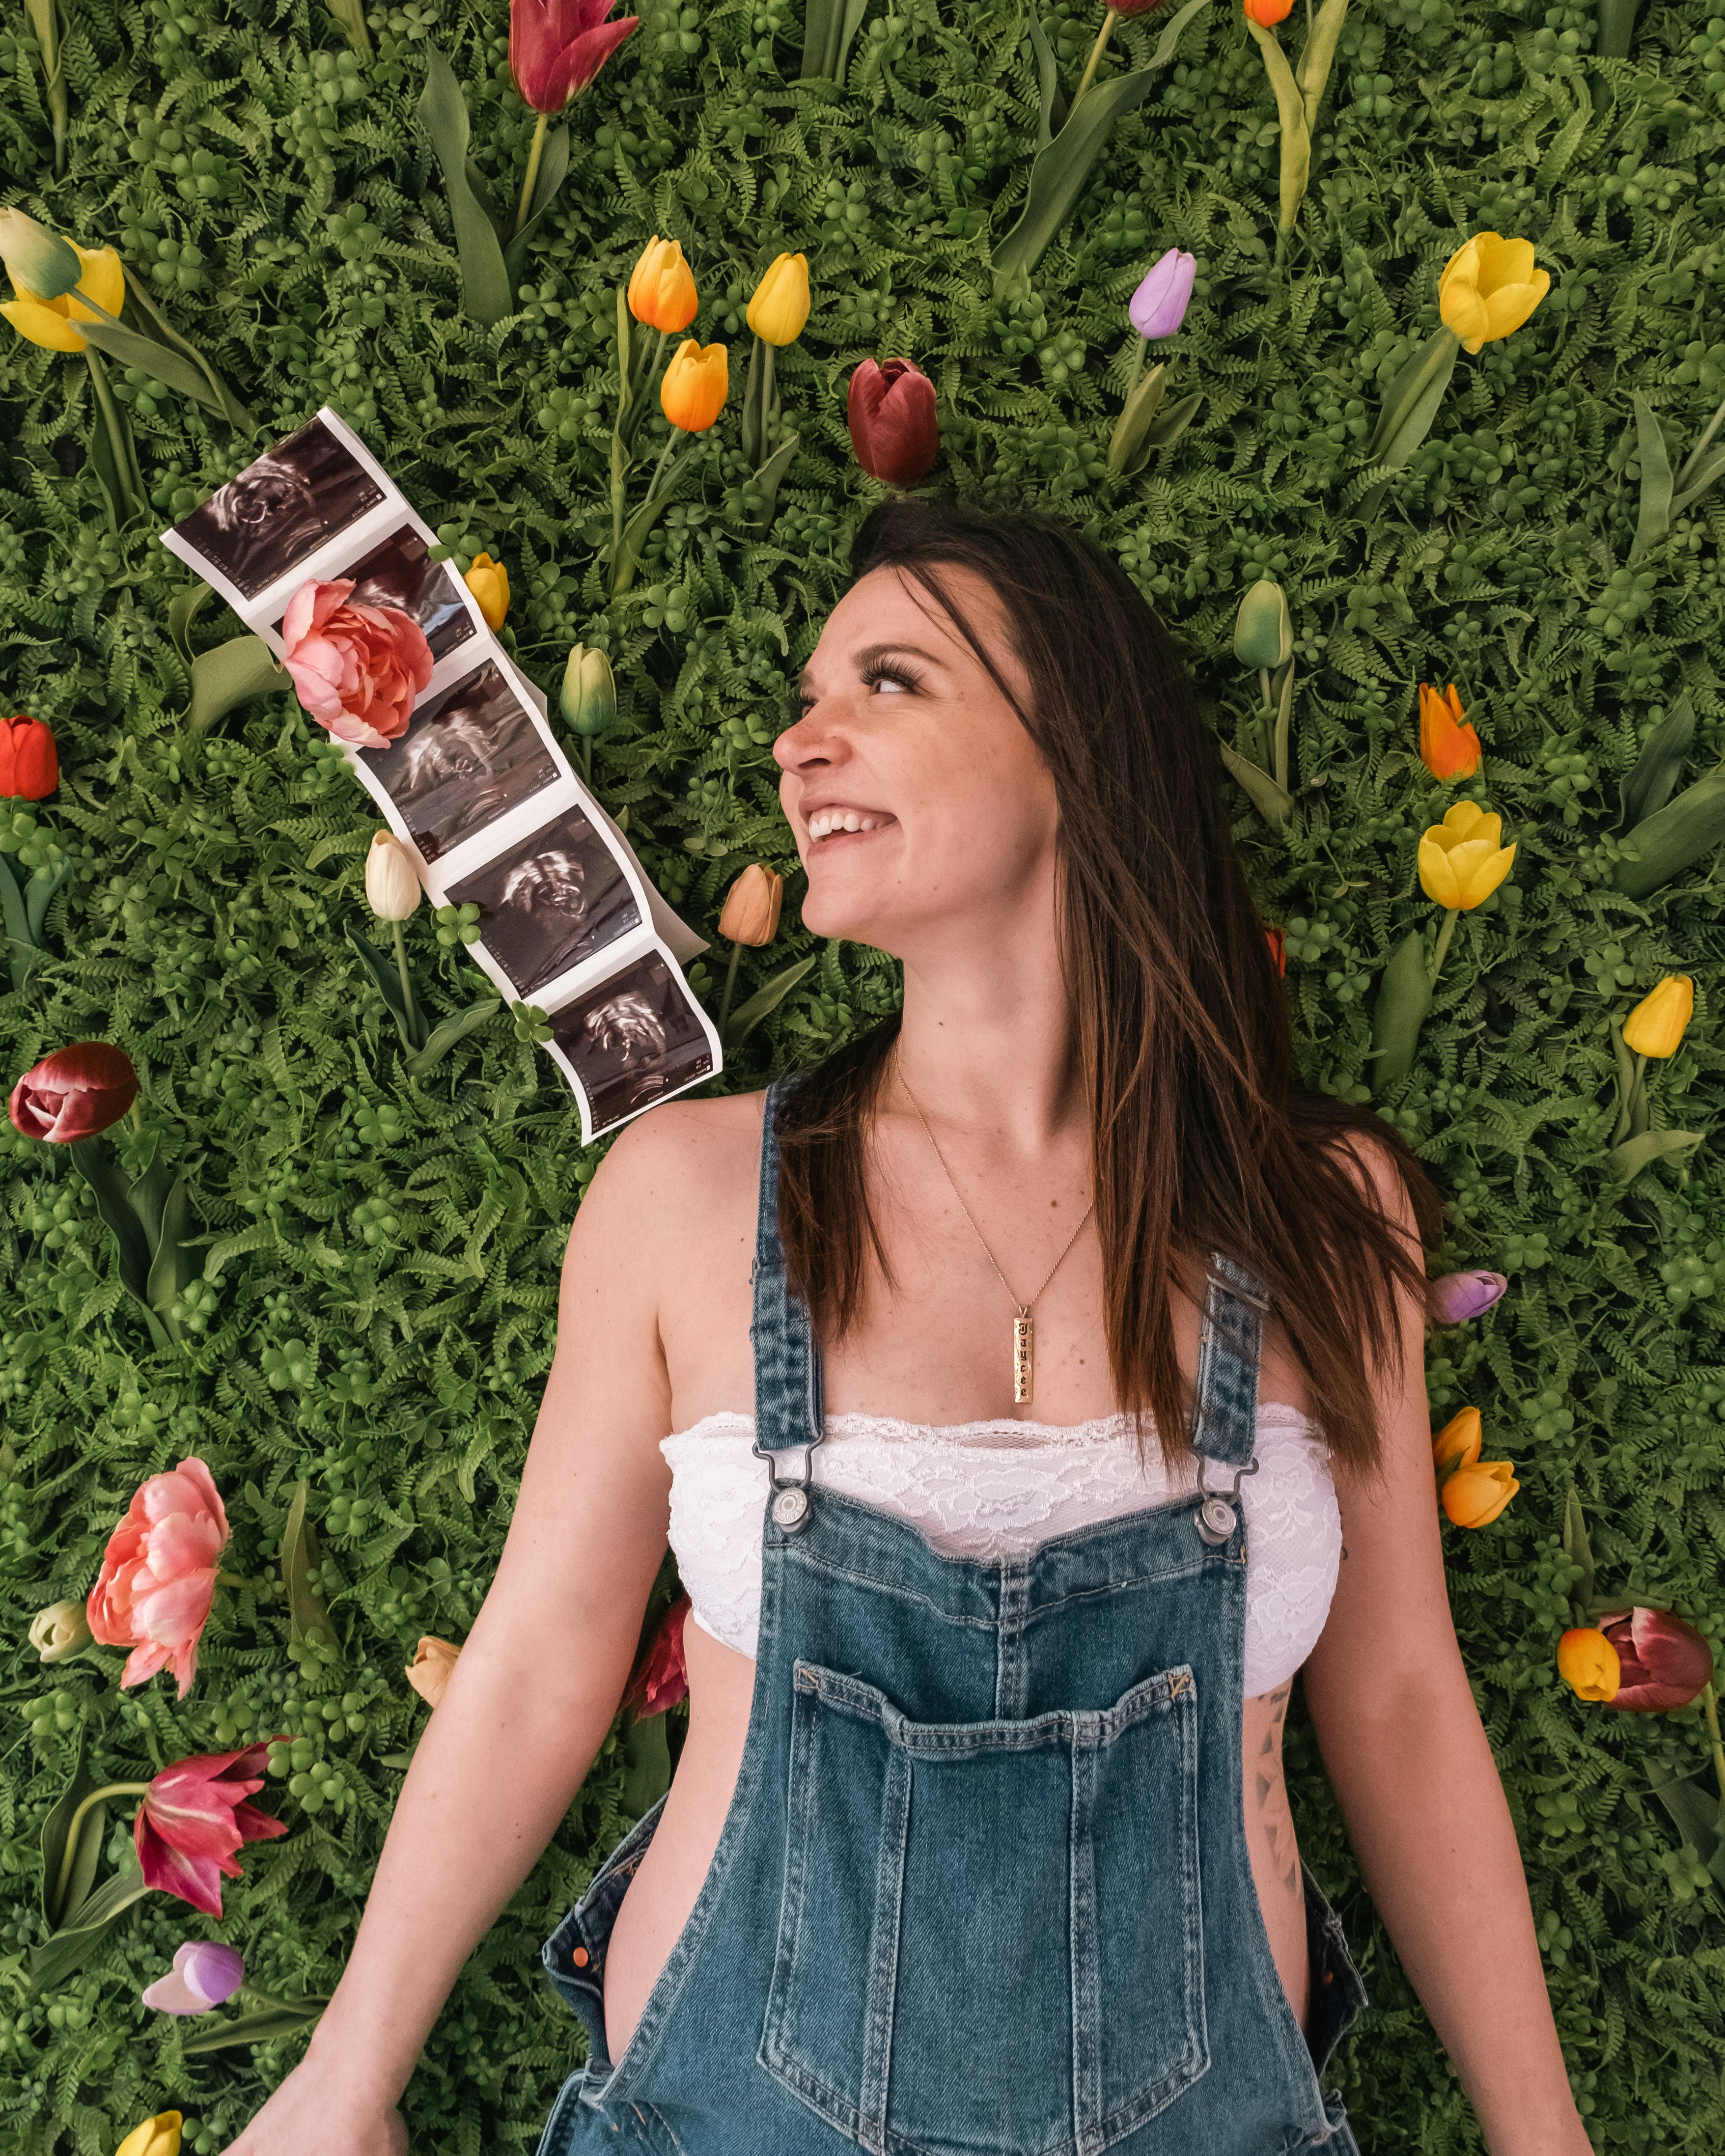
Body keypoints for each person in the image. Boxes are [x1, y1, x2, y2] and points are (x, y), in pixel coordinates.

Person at [224, 499, 1592, 2156]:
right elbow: (533, 1669)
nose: (801, 746)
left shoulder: (1319, 1208)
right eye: (807, 701)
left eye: (887, 682)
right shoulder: (687, 1195)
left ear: (1078, 746)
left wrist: (1545, 2138)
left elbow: (1399, 1704)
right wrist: (345, 2081)